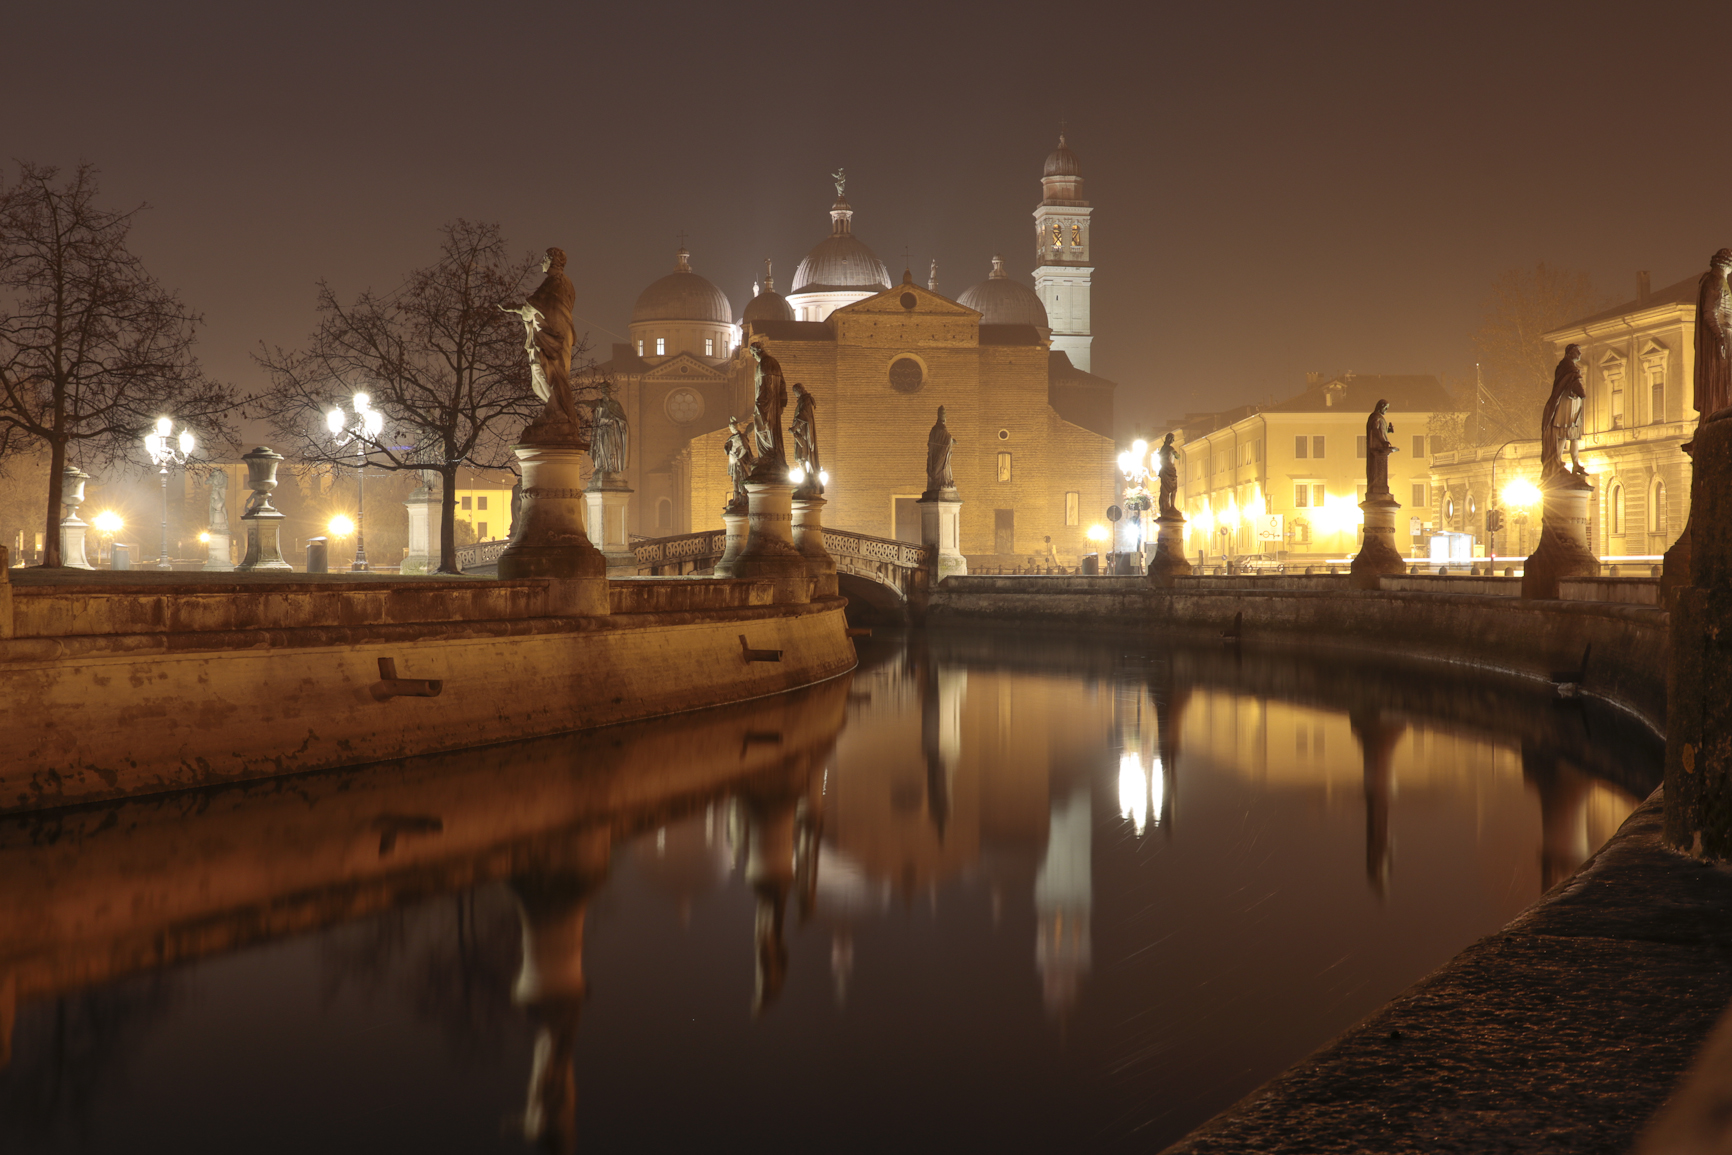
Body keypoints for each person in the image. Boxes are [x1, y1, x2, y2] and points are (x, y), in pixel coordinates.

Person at [500, 247, 580, 432]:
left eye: (543, 259)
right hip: (559, 334)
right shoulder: (566, 283)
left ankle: (558, 412)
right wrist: (517, 309)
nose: (540, 263)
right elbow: (541, 305)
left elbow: (533, 305)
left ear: (551, 261)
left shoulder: (554, 281)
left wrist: (514, 308)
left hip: (552, 336)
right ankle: (555, 410)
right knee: (548, 374)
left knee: (543, 371)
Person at [1696, 248, 1732, 423]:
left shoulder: (1711, 280)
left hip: (1722, 337)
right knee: (1722, 382)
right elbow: (1709, 313)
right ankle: (1719, 414)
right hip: (1723, 339)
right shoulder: (1717, 281)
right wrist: (1720, 337)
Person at [1541, 344, 1586, 483]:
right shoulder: (1568, 367)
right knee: (1564, 435)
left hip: (1571, 409)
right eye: (1577, 351)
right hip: (1565, 409)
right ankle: (1559, 463)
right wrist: (1580, 391)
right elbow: (1577, 389)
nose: (1579, 354)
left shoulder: (1567, 367)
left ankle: (1572, 463)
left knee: (1569, 436)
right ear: (1570, 352)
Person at [747, 342, 788, 473]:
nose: (754, 357)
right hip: (774, 405)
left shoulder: (764, 364)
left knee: (763, 429)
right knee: (771, 430)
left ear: (756, 351)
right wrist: (782, 403)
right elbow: (782, 385)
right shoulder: (774, 363)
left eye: (753, 354)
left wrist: (759, 405)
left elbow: (765, 387)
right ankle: (771, 456)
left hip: (765, 405)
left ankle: (767, 457)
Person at [789, 383, 820, 489]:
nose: (795, 395)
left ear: (799, 390)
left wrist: (794, 427)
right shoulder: (805, 400)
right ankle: (806, 478)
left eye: (795, 392)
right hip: (801, 433)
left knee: (803, 456)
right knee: (800, 457)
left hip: (804, 433)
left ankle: (807, 478)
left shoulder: (806, 400)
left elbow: (803, 415)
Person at [1365, 399, 1397, 496]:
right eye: (1386, 408)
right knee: (1376, 470)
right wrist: (1383, 441)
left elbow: (1381, 430)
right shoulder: (1375, 417)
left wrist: (1388, 430)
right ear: (1381, 406)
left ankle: (1381, 488)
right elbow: (1375, 430)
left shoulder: (1379, 417)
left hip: (1380, 448)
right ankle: (1378, 488)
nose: (1386, 410)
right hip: (1376, 449)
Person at [924, 406, 956, 498]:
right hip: (938, 455)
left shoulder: (939, 429)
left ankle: (944, 482)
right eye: (942, 415)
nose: (943, 417)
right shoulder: (936, 429)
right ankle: (939, 483)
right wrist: (950, 440)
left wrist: (951, 441)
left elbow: (945, 439)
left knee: (944, 469)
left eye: (944, 415)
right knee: (938, 469)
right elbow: (932, 442)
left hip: (944, 454)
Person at [1156, 432, 1182, 518]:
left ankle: (1165, 507)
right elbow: (1178, 457)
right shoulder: (1170, 448)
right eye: (1173, 439)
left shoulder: (1163, 449)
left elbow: (1160, 460)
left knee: (1165, 490)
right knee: (1174, 489)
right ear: (1170, 439)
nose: (1173, 440)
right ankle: (1172, 506)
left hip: (1164, 471)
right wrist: (1176, 453)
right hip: (1170, 470)